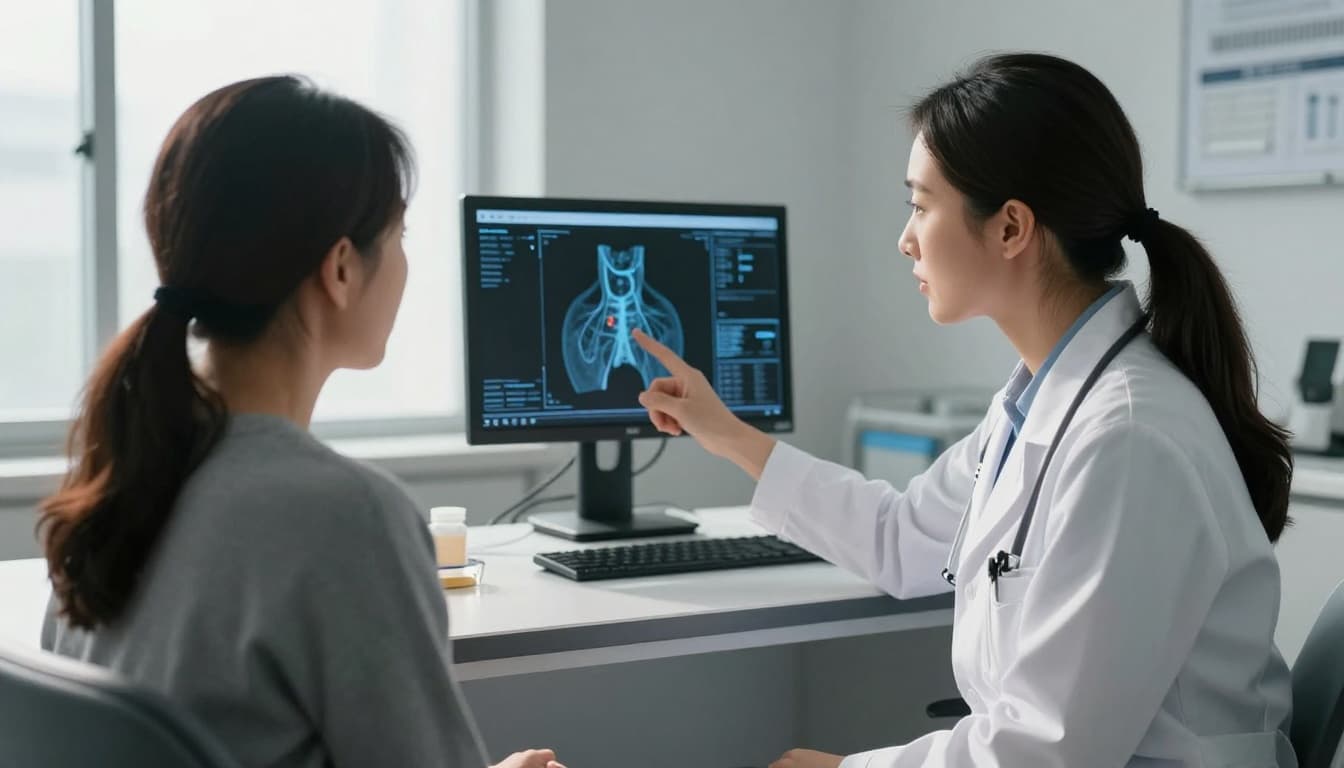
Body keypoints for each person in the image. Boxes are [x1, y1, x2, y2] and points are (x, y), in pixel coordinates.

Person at [632, 53, 1297, 768]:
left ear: (1011, 228)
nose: (905, 238)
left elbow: (1047, 752)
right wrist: (726, 434)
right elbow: (901, 536)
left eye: (920, 205)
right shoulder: (1040, 404)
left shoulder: (1126, 439)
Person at [38, 75, 565, 768]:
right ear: (341, 269)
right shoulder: (344, 515)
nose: (405, 262)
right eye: (398, 234)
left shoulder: (123, 481)